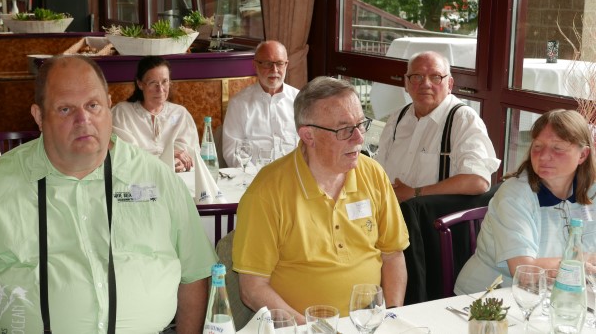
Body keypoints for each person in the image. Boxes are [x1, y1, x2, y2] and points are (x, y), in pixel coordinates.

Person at [0, 55, 217, 333]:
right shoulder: (1, 184)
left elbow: (195, 274)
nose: (83, 119)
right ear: (39, 116)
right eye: (65, 109)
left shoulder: (157, 177)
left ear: (110, 106)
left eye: (93, 105)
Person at [232, 76, 409, 323]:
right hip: (300, 328)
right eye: (345, 129)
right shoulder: (267, 192)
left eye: (361, 124)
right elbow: (252, 288)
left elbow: (393, 255)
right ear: (308, 136)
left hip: (368, 323)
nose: (359, 138)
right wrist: (312, 329)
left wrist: (391, 315)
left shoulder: (373, 174)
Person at [455, 109, 596, 294]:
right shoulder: (514, 194)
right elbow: (524, 271)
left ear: (583, 155)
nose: (544, 156)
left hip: (554, 294)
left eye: (557, 148)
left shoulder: (591, 192)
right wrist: (579, 264)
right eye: (537, 146)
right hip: (489, 298)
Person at [375, 51, 500, 202]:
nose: (426, 84)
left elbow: (478, 181)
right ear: (406, 84)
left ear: (450, 85)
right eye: (417, 76)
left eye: (435, 77)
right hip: (387, 212)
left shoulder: (462, 119)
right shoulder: (397, 117)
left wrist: (415, 193)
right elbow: (378, 167)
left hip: (431, 221)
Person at [112, 55, 198, 173]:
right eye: (153, 83)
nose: (161, 89)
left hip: (177, 180)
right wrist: (167, 157)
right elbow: (126, 158)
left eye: (164, 82)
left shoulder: (180, 114)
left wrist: (182, 164)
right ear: (140, 84)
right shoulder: (122, 113)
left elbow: (192, 156)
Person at [222, 40, 299, 167]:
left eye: (279, 63)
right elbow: (232, 151)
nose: (274, 70)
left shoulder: (300, 100)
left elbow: (311, 145)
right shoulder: (239, 103)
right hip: (254, 178)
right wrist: (255, 177)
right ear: (255, 65)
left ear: (286, 65)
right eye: (267, 63)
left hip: (294, 176)